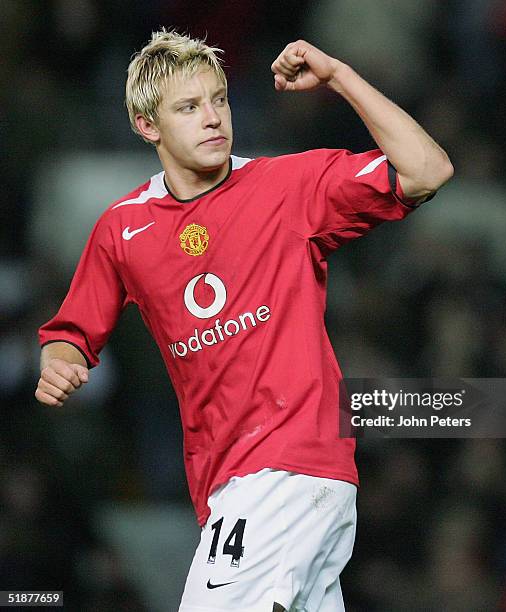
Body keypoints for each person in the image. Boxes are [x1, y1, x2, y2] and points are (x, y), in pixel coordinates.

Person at [35, 30, 453, 612]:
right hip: (234, 484)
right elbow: (72, 334)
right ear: (146, 124)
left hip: (285, 469)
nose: (213, 118)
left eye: (220, 99)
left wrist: (338, 78)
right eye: (189, 107)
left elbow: (427, 170)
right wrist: (59, 366)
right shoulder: (122, 228)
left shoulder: (287, 185)